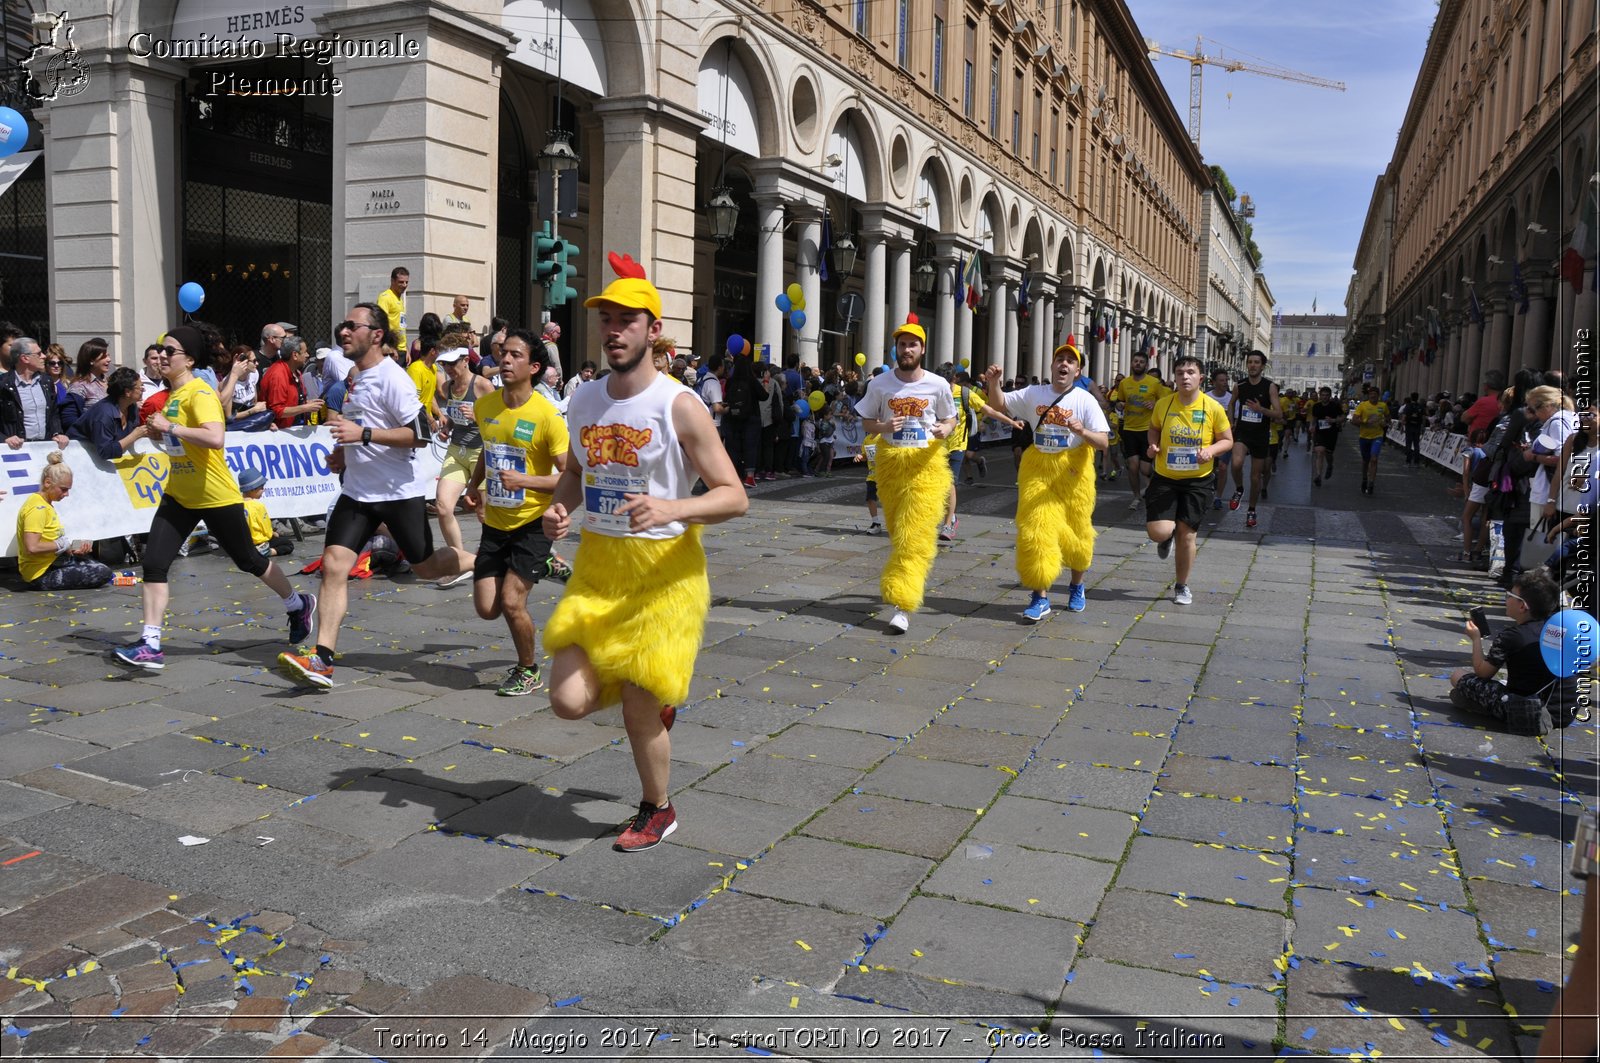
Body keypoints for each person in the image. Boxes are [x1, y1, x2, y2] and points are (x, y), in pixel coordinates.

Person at [540, 252, 747, 852]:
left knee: (636, 702)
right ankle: (652, 703)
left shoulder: (678, 405)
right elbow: (577, 471)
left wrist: (673, 508)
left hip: (664, 573)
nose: (613, 330)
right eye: (606, 319)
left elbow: (734, 497)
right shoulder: (582, 399)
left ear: (653, 330)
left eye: (627, 320)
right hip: (599, 571)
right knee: (566, 701)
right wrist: (561, 507)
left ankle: (657, 807)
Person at [276, 303, 476, 687]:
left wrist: (362, 436)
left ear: (377, 335)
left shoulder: (393, 378)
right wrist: (343, 453)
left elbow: (418, 435)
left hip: (397, 494)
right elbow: (361, 428)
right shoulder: (357, 379)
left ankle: (484, 561)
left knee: (427, 567)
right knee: (334, 565)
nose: (344, 332)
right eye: (343, 325)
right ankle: (322, 659)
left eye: (353, 326)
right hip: (357, 494)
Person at [113, 326, 315, 671]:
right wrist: (162, 435)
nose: (162, 356)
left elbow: (215, 437)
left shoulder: (199, 393)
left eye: (170, 351)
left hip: (214, 495)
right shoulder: (172, 397)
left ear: (189, 359)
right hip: (179, 494)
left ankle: (298, 604)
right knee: (154, 564)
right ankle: (150, 643)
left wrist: (171, 429)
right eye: (160, 350)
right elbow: (178, 445)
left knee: (249, 560)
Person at [462, 330, 570, 695]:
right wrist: (473, 486)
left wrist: (525, 479)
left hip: (532, 523)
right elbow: (489, 451)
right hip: (495, 523)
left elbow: (571, 476)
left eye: (515, 355)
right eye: (502, 354)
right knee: (486, 608)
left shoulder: (547, 416)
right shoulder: (486, 405)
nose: (505, 361)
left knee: (511, 602)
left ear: (534, 366)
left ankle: (528, 669)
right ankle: (550, 563)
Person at [986, 342, 1109, 620]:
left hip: (1074, 473)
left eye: (1070, 361)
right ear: (1052, 366)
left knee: (1078, 533)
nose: (1064, 364)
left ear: (1077, 371)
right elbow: (999, 404)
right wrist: (994, 384)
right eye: (1060, 359)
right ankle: (1039, 596)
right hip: (1038, 468)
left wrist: (1083, 431)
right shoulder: (1034, 393)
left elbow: (1103, 442)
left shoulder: (1085, 400)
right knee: (1035, 529)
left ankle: (1077, 586)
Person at [855, 314, 957, 634]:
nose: (907, 349)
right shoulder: (880, 384)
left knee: (913, 538)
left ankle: (903, 604)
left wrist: (944, 428)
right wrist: (883, 426)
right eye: (902, 344)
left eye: (913, 344)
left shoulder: (938, 385)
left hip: (925, 468)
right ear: (896, 349)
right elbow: (867, 421)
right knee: (899, 534)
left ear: (922, 349)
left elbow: (950, 419)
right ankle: (903, 590)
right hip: (890, 466)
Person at [1144, 354, 1234, 606]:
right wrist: (1152, 444)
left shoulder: (1212, 407)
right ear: (1174, 377)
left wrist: (1211, 451)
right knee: (1158, 532)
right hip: (1165, 476)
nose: (1185, 377)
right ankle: (1166, 538)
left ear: (1201, 378)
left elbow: (1227, 440)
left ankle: (1181, 585)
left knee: (1187, 535)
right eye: (1180, 373)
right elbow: (1153, 428)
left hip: (1199, 479)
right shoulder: (1164, 404)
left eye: (1190, 372)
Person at [1449, 570, 1580, 733]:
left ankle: (1479, 705)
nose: (1507, 599)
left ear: (1522, 606)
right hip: (1564, 713)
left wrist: (1476, 639)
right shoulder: (1561, 630)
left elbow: (1483, 673)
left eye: (1510, 595)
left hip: (1529, 712)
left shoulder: (1511, 636)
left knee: (1458, 676)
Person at [431, 344, 496, 587]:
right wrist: (446, 428)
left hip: (481, 452)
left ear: (465, 361)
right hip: (456, 451)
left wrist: (477, 416)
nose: (448, 369)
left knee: (484, 513)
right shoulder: (447, 386)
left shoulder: (481, 385)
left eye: (451, 363)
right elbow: (451, 418)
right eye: (444, 364)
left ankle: (493, 560)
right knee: (443, 506)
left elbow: (498, 419)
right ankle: (461, 561)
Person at [941, 367, 1023, 540]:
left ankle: (948, 525)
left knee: (950, 483)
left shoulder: (964, 393)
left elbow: (990, 410)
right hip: (935, 447)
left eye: (948, 383)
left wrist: (1011, 422)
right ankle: (950, 517)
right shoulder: (933, 391)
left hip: (957, 445)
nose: (945, 387)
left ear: (954, 380)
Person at [15, 452, 113, 591]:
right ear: (48, 482)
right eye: (63, 489)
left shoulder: (44, 504)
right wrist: (60, 544)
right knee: (103, 572)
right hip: (40, 574)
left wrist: (71, 548)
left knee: (97, 566)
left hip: (52, 562)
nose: (66, 494)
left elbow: (51, 541)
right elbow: (32, 547)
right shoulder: (38, 508)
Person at [1108, 351, 1168, 510]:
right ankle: (1136, 496)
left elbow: (1165, 402)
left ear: (1146, 365)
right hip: (1129, 429)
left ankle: (1155, 482)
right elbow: (1120, 401)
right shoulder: (1124, 383)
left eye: (1141, 362)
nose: (1138, 364)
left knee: (1145, 468)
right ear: (1132, 363)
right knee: (1133, 466)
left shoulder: (1154, 383)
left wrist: (1155, 404)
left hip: (1148, 430)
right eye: (1136, 361)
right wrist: (1120, 405)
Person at [1226, 350, 1280, 528]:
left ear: (1263, 366)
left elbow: (1279, 414)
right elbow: (1232, 403)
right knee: (1236, 463)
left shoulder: (1269, 386)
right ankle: (1239, 489)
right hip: (1242, 431)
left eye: (1257, 362)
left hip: (1260, 435)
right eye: (1250, 362)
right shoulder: (1239, 385)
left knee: (1256, 477)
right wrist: (1231, 421)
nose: (1253, 365)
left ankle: (1251, 510)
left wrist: (1261, 410)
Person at [0, 338, 70, 449]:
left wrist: (57, 433)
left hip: (45, 448)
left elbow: (53, 413)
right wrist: (4, 438)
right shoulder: (4, 385)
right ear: (25, 358)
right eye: (38, 354)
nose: (44, 356)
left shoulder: (46, 381)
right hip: (16, 450)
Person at [69, 366, 147, 460]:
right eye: (140, 387)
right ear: (127, 392)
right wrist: (134, 436)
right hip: (77, 457)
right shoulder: (104, 414)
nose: (144, 390)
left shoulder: (131, 407)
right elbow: (105, 451)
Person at [259, 336, 325, 429]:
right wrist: (305, 408)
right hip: (279, 434)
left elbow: (291, 402)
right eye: (304, 352)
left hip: (294, 428)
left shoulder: (296, 372)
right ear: (295, 355)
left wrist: (307, 403)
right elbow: (277, 411)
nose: (307, 355)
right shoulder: (278, 375)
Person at [238, 466, 293, 558]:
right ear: (253, 489)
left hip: (243, 543)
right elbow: (266, 528)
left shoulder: (236, 504)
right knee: (288, 544)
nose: (264, 490)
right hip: (258, 542)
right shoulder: (258, 506)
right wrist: (272, 534)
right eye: (262, 487)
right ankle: (267, 551)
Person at [61, 338, 111, 432]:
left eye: (108, 355)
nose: (109, 359)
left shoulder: (111, 382)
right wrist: (91, 431)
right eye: (104, 356)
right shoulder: (79, 386)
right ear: (91, 360)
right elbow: (68, 418)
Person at [1351, 383, 1389, 495]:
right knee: (1365, 461)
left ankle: (1371, 482)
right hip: (1364, 436)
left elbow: (1388, 419)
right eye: (1371, 394)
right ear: (1368, 395)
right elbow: (1354, 420)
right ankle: (1364, 479)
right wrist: (1365, 422)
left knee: (1374, 459)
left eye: (1375, 394)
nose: (1373, 396)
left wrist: (1385, 423)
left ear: (1378, 396)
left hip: (1377, 436)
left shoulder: (1383, 406)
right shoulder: (1363, 405)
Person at [1206, 368, 1233, 509]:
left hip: (1223, 439)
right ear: (1214, 382)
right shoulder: (1206, 397)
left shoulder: (1231, 398)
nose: (1225, 383)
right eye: (1221, 380)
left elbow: (1234, 419)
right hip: (1208, 438)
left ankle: (1218, 497)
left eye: (1226, 380)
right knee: (1209, 468)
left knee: (1222, 468)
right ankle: (1206, 492)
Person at [1310, 385, 1343, 486]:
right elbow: (1314, 418)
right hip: (1320, 432)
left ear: (1329, 396)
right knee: (1319, 452)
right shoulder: (1316, 406)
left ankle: (1330, 465)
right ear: (1320, 396)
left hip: (1331, 433)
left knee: (1328, 454)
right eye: (1323, 395)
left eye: (1327, 395)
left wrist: (1334, 420)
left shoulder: (1335, 406)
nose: (1324, 397)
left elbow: (1343, 417)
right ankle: (1318, 476)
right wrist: (1312, 426)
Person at [854, 430, 883, 532]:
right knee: (870, 498)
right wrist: (860, 456)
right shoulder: (867, 439)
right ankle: (876, 523)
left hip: (886, 475)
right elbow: (865, 456)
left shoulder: (884, 436)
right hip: (872, 475)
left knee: (891, 501)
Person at [377, 266, 410, 352]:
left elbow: (401, 325)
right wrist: (390, 347)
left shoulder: (400, 298)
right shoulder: (385, 297)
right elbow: (381, 323)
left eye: (406, 282)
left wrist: (406, 347)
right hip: (392, 349)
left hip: (402, 348)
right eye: (401, 282)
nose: (404, 285)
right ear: (392, 281)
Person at [1400, 391, 1426, 465]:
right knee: (1416, 444)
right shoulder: (1420, 406)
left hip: (1409, 426)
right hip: (1417, 426)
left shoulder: (1408, 406)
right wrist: (1423, 426)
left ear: (1411, 397)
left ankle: (1408, 461)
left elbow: (1404, 416)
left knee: (1408, 444)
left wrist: (1402, 426)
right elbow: (1424, 417)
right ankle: (1416, 461)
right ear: (1417, 398)